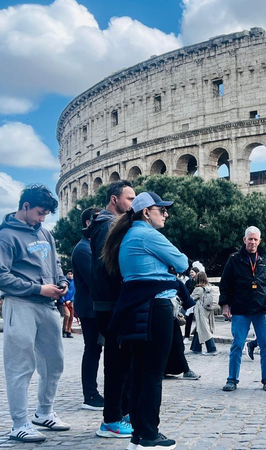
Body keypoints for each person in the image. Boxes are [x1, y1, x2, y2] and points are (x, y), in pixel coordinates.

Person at [103, 191, 189, 450]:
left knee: (140, 373)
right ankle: (150, 435)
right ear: (145, 212)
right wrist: (169, 268)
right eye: (160, 209)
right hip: (156, 308)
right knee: (152, 375)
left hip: (136, 309)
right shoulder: (148, 235)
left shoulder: (129, 236)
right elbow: (182, 263)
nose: (165, 214)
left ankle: (139, 433)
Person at [0, 184, 70, 442]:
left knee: (54, 362)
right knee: (20, 365)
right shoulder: (5, 237)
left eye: (46, 214)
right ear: (24, 206)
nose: (43, 218)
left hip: (47, 305)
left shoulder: (46, 234)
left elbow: (55, 264)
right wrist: (38, 288)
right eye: (39, 212)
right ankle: (19, 423)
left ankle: (44, 413)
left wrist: (61, 282)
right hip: (21, 304)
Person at [87, 180, 136, 439]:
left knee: (122, 360)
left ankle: (122, 413)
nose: (132, 203)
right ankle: (112, 419)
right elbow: (110, 265)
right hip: (111, 302)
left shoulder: (108, 223)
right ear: (114, 199)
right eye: (129, 198)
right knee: (117, 361)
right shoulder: (107, 224)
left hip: (112, 301)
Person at [219, 226, 266, 392]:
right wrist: (225, 304)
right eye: (250, 239)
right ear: (244, 240)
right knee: (237, 345)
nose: (253, 242)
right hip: (241, 309)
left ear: (259, 241)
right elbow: (226, 283)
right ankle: (232, 379)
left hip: (261, 308)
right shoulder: (234, 259)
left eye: (255, 239)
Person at [72, 207, 104, 410]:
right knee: (92, 350)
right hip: (90, 309)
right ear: (88, 223)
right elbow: (95, 280)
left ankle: (93, 393)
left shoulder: (89, 247)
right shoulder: (83, 249)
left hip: (94, 307)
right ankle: (90, 395)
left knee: (95, 349)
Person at [190, 271, 218, 355]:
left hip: (201, 311)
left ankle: (211, 348)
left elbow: (191, 298)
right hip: (208, 310)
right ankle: (196, 348)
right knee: (200, 327)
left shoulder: (198, 289)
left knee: (204, 329)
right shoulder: (209, 287)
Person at [183, 267, 199, 344]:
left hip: (197, 303)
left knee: (199, 321)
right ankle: (186, 337)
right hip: (190, 303)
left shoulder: (199, 282)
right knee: (188, 320)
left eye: (192, 272)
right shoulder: (188, 281)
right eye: (191, 272)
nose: (191, 274)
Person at [60, 271, 76, 337]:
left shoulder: (74, 282)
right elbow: (61, 291)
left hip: (71, 302)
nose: (70, 275)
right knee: (67, 315)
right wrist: (63, 300)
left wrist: (71, 300)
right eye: (68, 274)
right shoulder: (64, 282)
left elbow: (75, 292)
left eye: (71, 274)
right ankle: (64, 330)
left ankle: (69, 331)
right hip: (64, 302)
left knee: (71, 317)